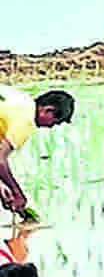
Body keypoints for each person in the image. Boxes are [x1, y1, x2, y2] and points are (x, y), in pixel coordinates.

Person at [0, 87, 74, 216]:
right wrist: (17, 192)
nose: (51, 127)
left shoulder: (21, 99)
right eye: (55, 122)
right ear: (48, 110)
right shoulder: (25, 122)